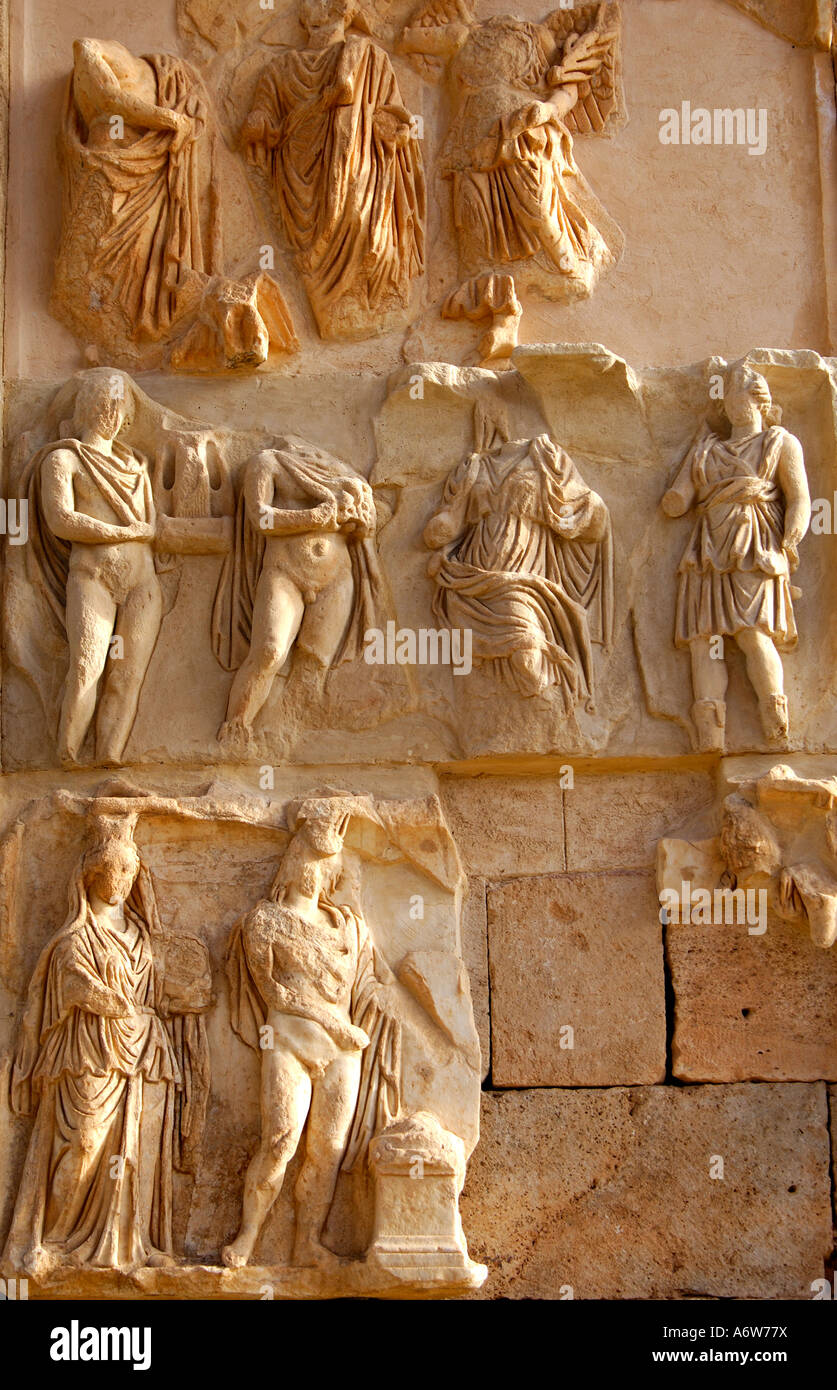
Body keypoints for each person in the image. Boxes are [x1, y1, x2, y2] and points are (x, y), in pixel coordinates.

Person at [3, 817, 209, 1277]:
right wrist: (108, 999)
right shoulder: (73, 939)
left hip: (147, 1055)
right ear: (91, 875)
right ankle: (54, 1240)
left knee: (141, 1152)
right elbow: (73, 984)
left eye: (128, 873)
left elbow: (172, 990)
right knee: (84, 1142)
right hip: (90, 1050)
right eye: (112, 872)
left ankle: (138, 1241)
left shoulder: (145, 939)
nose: (120, 882)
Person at [223, 795, 399, 1268]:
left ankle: (307, 1243)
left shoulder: (349, 926)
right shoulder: (265, 920)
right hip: (291, 1040)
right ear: (294, 857)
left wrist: (377, 1008)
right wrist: (331, 1021)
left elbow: (370, 983)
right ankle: (248, 1236)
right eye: (311, 858)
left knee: (328, 1151)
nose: (318, 870)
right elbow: (274, 993)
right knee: (280, 1140)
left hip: (344, 1052)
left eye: (327, 863)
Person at [241, 0, 425, 339]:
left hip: (360, 163)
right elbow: (262, 117)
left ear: (345, 11)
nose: (319, 6)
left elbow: (395, 114)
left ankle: (374, 302)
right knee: (311, 261)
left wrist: (394, 129)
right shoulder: (280, 68)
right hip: (299, 180)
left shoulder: (369, 58)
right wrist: (259, 123)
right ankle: (334, 313)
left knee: (361, 218)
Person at [662, 363, 811, 751]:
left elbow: (799, 499)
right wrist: (682, 484)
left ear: (757, 398)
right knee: (703, 638)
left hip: (756, 545)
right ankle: (710, 731)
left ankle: (775, 718)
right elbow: (677, 503)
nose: (730, 403)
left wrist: (789, 542)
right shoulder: (706, 449)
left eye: (736, 393)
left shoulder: (780, 443)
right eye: (726, 396)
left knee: (752, 633)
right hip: (708, 548)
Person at [19, 370, 162, 766]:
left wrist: (141, 531)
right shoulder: (64, 459)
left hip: (142, 580)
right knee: (88, 666)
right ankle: (67, 753)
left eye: (117, 406)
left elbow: (152, 526)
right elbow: (61, 519)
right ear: (84, 407)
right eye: (102, 403)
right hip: (93, 575)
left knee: (127, 673)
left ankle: (109, 754)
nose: (109, 414)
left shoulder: (135, 464)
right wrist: (121, 531)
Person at [424, 431, 613, 707]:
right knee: (480, 672)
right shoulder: (472, 466)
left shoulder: (547, 457)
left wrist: (584, 509)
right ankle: (500, 720)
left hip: (525, 576)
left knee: (527, 654)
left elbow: (588, 515)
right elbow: (449, 524)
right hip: (472, 579)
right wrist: (439, 529)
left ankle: (552, 713)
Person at [211, 437, 381, 743]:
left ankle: (287, 738)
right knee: (269, 651)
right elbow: (260, 517)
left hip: (337, 578)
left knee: (314, 663)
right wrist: (315, 517)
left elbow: (366, 528)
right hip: (285, 572)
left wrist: (358, 518)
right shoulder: (268, 462)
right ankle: (236, 728)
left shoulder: (344, 475)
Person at [54, 38, 220, 345]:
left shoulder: (155, 71)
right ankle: (106, 332)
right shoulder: (85, 49)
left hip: (146, 173)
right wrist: (172, 120)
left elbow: (112, 100)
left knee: (140, 257)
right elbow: (110, 101)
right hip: (107, 168)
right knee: (88, 259)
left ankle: (126, 330)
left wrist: (175, 122)